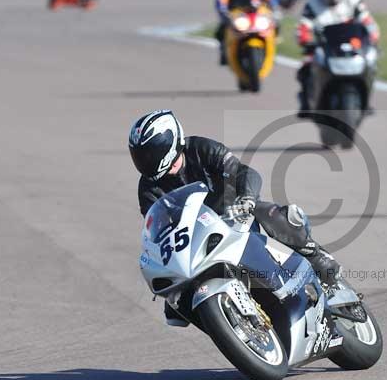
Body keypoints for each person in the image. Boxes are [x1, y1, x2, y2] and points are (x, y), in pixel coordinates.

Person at [128, 110, 342, 326]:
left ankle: (314, 254)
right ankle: (231, 324)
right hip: (199, 240)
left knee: (268, 212)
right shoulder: (148, 189)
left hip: (235, 214)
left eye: (152, 152)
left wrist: (246, 199)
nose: (148, 160)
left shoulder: (200, 149)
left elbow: (242, 172)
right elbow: (158, 229)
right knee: (176, 307)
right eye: (142, 156)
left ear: (172, 141)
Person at [295, 0, 380, 117]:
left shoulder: (354, 1)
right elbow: (303, 26)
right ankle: (306, 103)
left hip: (351, 47)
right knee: (306, 67)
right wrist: (305, 39)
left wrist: (372, 37)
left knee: (370, 64)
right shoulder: (313, 4)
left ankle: (365, 100)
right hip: (326, 47)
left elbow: (368, 22)